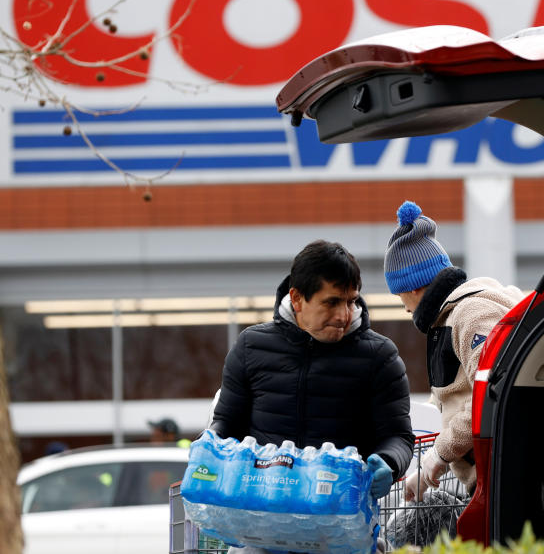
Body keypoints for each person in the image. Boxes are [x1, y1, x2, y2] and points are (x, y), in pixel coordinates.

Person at [210, 239, 414, 508]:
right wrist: (209, 443)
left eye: (350, 302)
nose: (343, 315)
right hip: (261, 515)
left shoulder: (379, 356)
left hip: (343, 518)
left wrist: (389, 461)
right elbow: (227, 424)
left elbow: (398, 436)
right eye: (331, 302)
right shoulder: (251, 347)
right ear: (296, 298)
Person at [384, 201, 524, 502]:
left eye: (399, 298)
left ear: (411, 288)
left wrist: (438, 455)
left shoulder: (470, 313)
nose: (405, 309)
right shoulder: (449, 318)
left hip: (506, 476)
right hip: (495, 472)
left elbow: (491, 394)